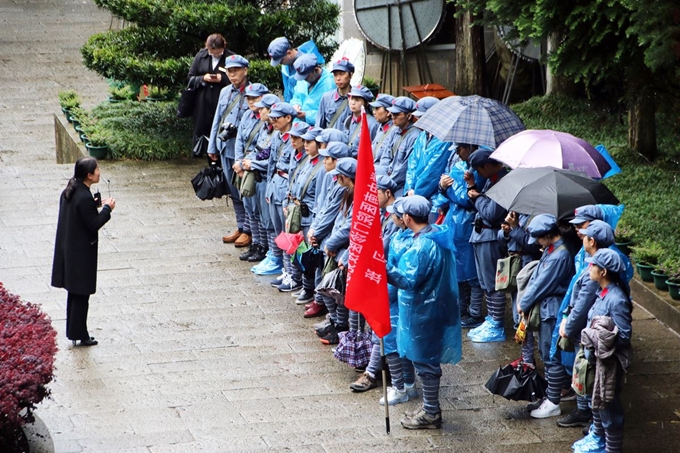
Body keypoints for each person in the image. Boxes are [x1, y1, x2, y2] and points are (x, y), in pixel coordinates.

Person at [386, 196, 461, 429]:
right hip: (434, 307)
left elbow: (407, 280)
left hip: (424, 312)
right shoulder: (436, 235)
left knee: (426, 363)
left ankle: (431, 413)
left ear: (407, 218)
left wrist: (384, 267)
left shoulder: (421, 247)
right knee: (426, 361)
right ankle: (430, 407)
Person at [571, 248, 632, 453]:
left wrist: (596, 338)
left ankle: (612, 449)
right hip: (596, 362)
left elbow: (623, 335)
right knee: (598, 403)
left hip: (608, 365)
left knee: (610, 410)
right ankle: (598, 439)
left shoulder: (616, 299)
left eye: (593, 265)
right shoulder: (602, 293)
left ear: (603, 272)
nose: (589, 268)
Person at [51, 157, 115, 347]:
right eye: (97, 170)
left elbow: (79, 212)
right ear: (89, 175)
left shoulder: (71, 190)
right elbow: (93, 224)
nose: (99, 172)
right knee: (81, 295)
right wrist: (107, 209)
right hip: (81, 254)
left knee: (74, 294)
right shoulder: (83, 196)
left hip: (69, 250)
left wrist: (94, 204)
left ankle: (74, 332)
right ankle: (80, 334)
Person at [517, 214, 575, 419]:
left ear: (548, 235)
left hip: (551, 309)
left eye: (539, 238)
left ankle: (553, 401)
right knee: (547, 352)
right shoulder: (552, 250)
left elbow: (542, 283)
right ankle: (551, 395)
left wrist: (523, 303)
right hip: (546, 307)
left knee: (551, 355)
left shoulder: (560, 255)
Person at [465, 149, 510, 343]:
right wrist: (474, 188)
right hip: (481, 235)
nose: (477, 174)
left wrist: (477, 197)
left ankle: (497, 324)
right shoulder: (492, 179)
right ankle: (491, 318)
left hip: (490, 237)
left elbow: (492, 213)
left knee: (493, 283)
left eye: (478, 170)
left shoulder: (504, 182)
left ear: (488, 166)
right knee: (485, 283)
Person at [207, 54, 252, 247]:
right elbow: (217, 118)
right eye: (230, 72)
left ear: (245, 71)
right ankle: (241, 226)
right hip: (226, 148)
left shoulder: (252, 92)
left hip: (243, 151)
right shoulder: (225, 91)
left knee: (245, 190)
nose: (232, 75)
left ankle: (250, 229)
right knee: (233, 191)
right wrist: (213, 146)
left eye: (236, 71)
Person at [245, 93, 284, 275]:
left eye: (263, 109)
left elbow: (273, 161)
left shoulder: (279, 134)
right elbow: (258, 149)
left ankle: (277, 258)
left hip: (274, 182)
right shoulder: (265, 129)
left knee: (274, 222)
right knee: (264, 218)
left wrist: (254, 164)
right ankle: (271, 253)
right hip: (263, 179)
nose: (259, 111)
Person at [234, 83, 270, 263]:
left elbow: (263, 147)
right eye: (248, 98)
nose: (251, 102)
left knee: (259, 210)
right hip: (245, 166)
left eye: (255, 98)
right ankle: (255, 243)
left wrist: (247, 164)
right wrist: (238, 162)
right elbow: (240, 139)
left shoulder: (267, 121)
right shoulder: (247, 115)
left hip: (256, 168)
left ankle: (263, 246)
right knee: (249, 208)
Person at [186, 33, 233, 154]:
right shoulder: (201, 56)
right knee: (203, 134)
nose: (216, 55)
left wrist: (221, 79)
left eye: (219, 53)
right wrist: (203, 78)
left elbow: (237, 80)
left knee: (221, 130)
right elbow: (190, 77)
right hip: (202, 102)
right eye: (213, 53)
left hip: (222, 100)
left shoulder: (230, 57)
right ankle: (206, 158)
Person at [268, 36, 326, 103]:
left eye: (281, 60)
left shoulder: (308, 66)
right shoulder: (285, 66)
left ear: (289, 53)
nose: (280, 63)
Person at [380, 96, 420, 192]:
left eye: (397, 114)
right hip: (387, 177)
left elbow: (404, 168)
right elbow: (385, 154)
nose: (392, 116)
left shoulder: (415, 136)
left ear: (409, 116)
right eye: (392, 113)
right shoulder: (395, 130)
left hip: (400, 184)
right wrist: (383, 175)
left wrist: (387, 183)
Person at [290, 53, 335, 126]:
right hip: (298, 126)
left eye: (306, 77)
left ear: (316, 70)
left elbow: (329, 115)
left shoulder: (329, 84)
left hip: (316, 129)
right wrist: (295, 105)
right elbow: (296, 96)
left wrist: (306, 115)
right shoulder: (302, 78)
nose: (304, 79)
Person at [315, 57, 354, 130]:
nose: (338, 78)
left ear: (351, 75)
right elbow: (319, 126)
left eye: (342, 74)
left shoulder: (358, 99)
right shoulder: (326, 98)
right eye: (335, 75)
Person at [343, 85, 379, 157]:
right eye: (351, 98)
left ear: (366, 103)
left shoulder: (372, 124)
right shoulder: (348, 120)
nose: (353, 103)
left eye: (357, 100)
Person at [368, 94, 398, 165]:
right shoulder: (381, 126)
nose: (374, 112)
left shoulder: (394, 130)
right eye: (374, 109)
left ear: (388, 112)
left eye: (377, 108)